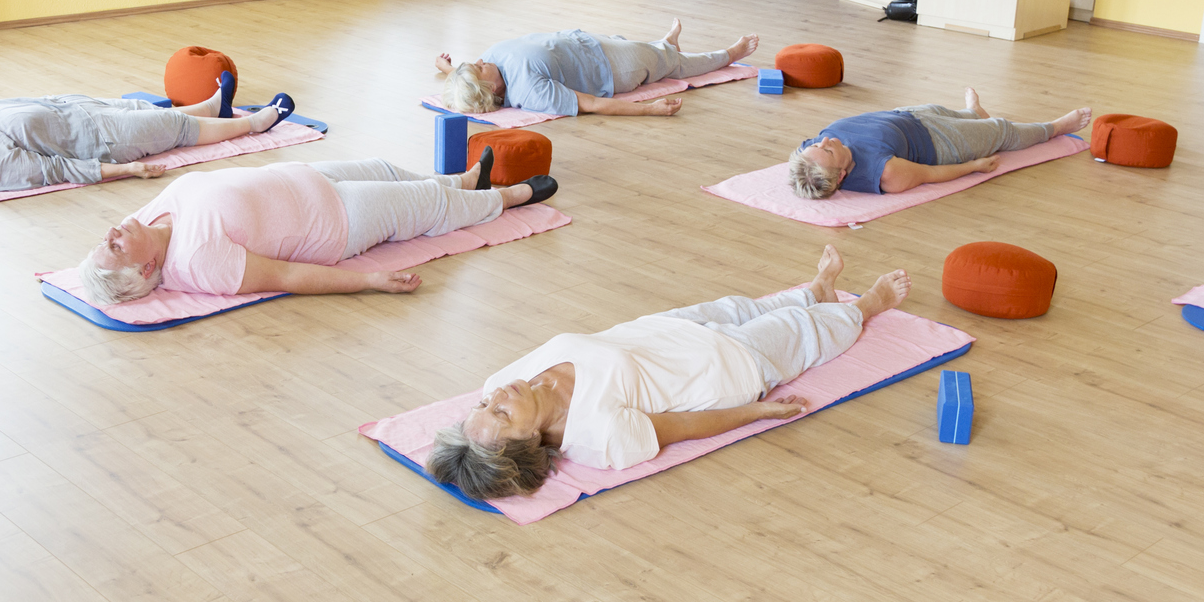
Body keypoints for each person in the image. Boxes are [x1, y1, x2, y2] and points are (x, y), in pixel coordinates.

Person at [425, 246, 911, 500]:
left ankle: (817, 288)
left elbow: (494, 400)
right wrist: (755, 411)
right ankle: (868, 306)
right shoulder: (599, 438)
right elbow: (679, 428)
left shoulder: (499, 385)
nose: (496, 398)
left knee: (743, 306)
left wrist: (491, 407)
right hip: (724, 368)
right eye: (502, 414)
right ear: (528, 438)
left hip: (665, 329)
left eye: (484, 406)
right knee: (797, 331)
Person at [75, 151, 559, 305]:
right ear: (147, 267)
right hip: (335, 220)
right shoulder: (198, 262)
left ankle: (465, 179)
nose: (110, 233)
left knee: (388, 169)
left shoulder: (151, 219)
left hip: (305, 175)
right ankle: (511, 196)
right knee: (429, 207)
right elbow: (285, 277)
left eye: (106, 240)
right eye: (113, 247)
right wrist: (368, 281)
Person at [0, 82, 293, 192]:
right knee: (174, 130)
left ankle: (212, 107)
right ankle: (253, 124)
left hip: (77, 109)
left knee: (145, 110)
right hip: (100, 140)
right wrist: (125, 170)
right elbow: (57, 169)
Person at [787, 88, 1090, 199]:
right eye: (827, 149)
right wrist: (974, 166)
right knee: (1000, 130)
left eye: (820, 143)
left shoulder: (810, 153)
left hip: (907, 116)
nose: (826, 139)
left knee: (952, 111)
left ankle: (973, 113)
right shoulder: (885, 174)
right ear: (841, 176)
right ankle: (1056, 127)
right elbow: (930, 175)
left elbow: (805, 168)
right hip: (940, 142)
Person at [435, 18, 758, 117]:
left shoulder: (490, 65)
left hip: (587, 44)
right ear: (490, 89)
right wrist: (650, 110)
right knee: (676, 66)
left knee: (651, 51)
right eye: (478, 68)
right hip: (612, 69)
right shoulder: (530, 91)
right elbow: (589, 103)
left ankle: (665, 46)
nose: (479, 61)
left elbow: (468, 84)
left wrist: (448, 69)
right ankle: (728, 54)